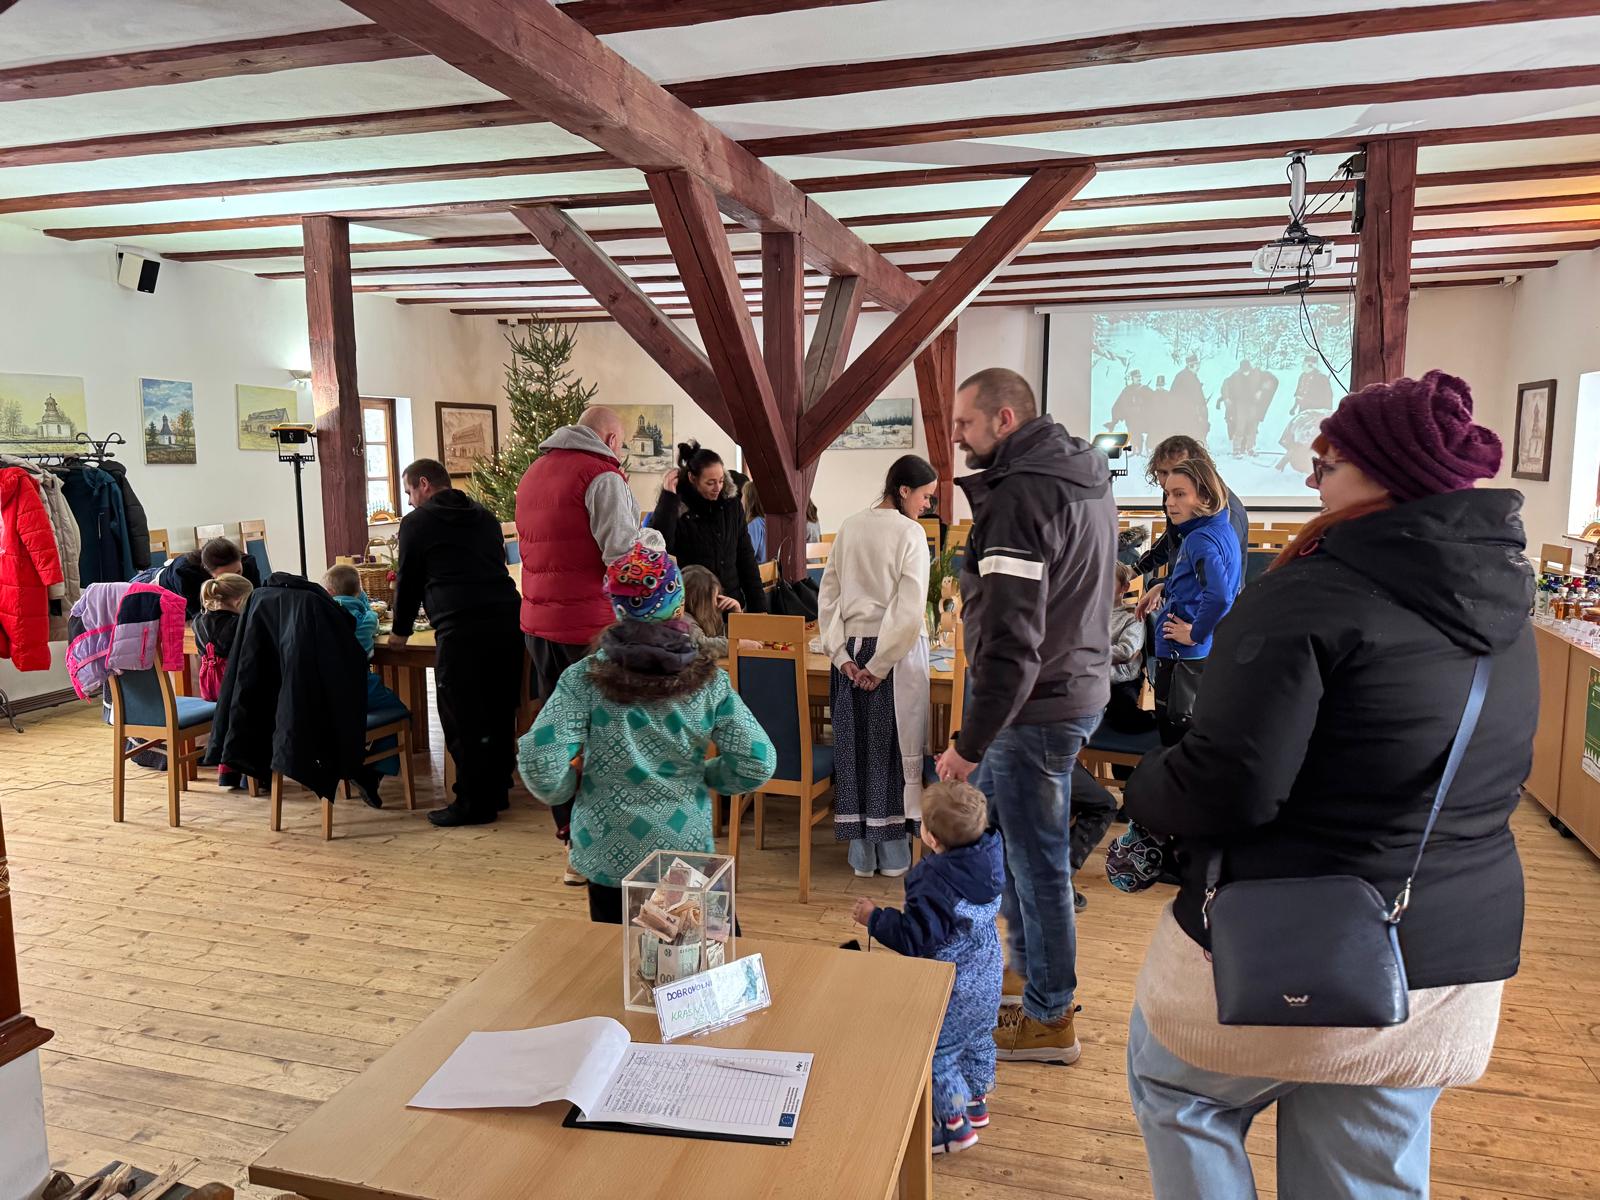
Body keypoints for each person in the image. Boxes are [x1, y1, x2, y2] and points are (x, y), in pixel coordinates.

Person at [1123, 370, 1530, 1199]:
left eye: (1324, 465)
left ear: (1381, 474)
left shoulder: (1308, 593)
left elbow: (1229, 785)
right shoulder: (1503, 604)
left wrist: (1145, 787)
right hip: (1446, 955)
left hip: (1287, 943)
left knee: (1179, 1089)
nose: (1313, 483)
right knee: (1359, 1165)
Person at [934, 367, 1115, 1065]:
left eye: (966, 423)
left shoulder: (1021, 494)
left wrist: (968, 745)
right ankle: (1027, 977)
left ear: (1004, 419)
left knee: (1037, 867)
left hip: (1034, 706)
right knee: (1013, 852)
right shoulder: (1079, 473)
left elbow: (1012, 643)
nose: (957, 436)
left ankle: (1049, 1016)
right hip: (1071, 687)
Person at [517, 531, 776, 923]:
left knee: (615, 954)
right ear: (679, 605)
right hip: (682, 844)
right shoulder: (709, 681)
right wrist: (707, 774)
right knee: (692, 952)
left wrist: (570, 788)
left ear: (617, 608)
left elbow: (540, 760)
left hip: (606, 846)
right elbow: (758, 760)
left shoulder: (582, 679)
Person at [515, 406, 639, 880]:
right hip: (590, 628)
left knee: (560, 734)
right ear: (610, 438)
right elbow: (622, 554)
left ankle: (572, 846)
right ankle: (602, 849)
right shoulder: (601, 476)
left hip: (538, 625)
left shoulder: (534, 471)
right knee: (604, 738)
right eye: (622, 443)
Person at [852, 781, 1003, 1155]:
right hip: (988, 976)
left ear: (931, 838)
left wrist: (876, 918)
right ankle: (974, 1103)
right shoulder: (989, 856)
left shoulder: (934, 881)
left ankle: (954, 1126)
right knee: (978, 1040)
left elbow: (916, 938)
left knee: (939, 1055)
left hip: (955, 986)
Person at [818, 455, 937, 878]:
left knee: (855, 751)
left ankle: (862, 857)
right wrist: (881, 664)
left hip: (851, 651)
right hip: (893, 653)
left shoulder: (850, 526)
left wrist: (841, 656)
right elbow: (909, 608)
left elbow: (827, 596)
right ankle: (895, 857)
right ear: (903, 490)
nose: (927, 504)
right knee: (889, 753)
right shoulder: (911, 533)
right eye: (925, 495)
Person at [389, 459, 523, 827]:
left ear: (424, 484)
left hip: (461, 626)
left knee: (463, 718)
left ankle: (473, 803)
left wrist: (400, 630)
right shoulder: (484, 516)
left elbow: (409, 580)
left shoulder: (417, 523)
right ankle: (498, 790)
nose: (410, 500)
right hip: (507, 620)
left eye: (409, 492)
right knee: (498, 711)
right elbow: (496, 563)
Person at [1150, 457, 1241, 746]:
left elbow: (1220, 595)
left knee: (1174, 741)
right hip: (1199, 652)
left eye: (1180, 494)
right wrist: (1164, 586)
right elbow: (1197, 584)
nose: (1169, 503)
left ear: (1205, 497)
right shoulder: (1220, 528)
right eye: (1168, 494)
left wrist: (1195, 633)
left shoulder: (1198, 539)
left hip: (1182, 656)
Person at [1134, 436, 1248, 622]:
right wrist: (1141, 571)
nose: (1169, 480)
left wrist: (1197, 632)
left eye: (1178, 469)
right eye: (1162, 472)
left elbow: (1222, 591)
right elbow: (1174, 538)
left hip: (1208, 619)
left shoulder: (1228, 513)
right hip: (1185, 605)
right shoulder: (1175, 495)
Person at [322, 564, 403, 810]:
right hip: (358, 686)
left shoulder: (319, 616)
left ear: (328, 592)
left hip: (322, 695)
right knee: (400, 713)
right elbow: (372, 618)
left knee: (353, 715)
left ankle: (356, 764)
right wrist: (363, 602)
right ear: (359, 591)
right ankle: (371, 770)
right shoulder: (365, 619)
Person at [653, 442, 766, 613]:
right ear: (692, 478)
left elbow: (746, 558)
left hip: (730, 604)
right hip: (694, 606)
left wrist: (759, 608)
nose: (718, 488)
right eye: (710, 483)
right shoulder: (677, 509)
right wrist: (668, 498)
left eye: (721, 481)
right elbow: (660, 545)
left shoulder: (732, 505)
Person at [193, 573, 253, 790]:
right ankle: (251, 772)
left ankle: (227, 773)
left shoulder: (198, 622)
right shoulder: (240, 624)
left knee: (230, 717)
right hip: (231, 686)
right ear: (239, 601)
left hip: (209, 685)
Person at [147, 536, 263, 620]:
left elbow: (256, 605)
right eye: (227, 576)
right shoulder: (185, 574)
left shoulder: (248, 564)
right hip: (154, 586)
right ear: (208, 571)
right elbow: (200, 619)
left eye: (238, 572)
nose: (235, 579)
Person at [1106, 563, 1151, 734]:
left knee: (1125, 719)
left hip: (1122, 681)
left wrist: (1088, 652)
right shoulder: (1086, 613)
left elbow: (1127, 652)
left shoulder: (1132, 616)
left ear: (1124, 587)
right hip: (1088, 678)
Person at [1108, 368, 1153, 457]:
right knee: (1132, 432)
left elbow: (1152, 401)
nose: (1138, 378)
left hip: (1142, 417)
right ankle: (1134, 450)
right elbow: (1120, 403)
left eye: (1139, 377)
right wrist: (1116, 418)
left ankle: (1141, 450)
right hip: (1131, 418)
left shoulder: (1146, 389)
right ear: (1132, 378)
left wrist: (1144, 408)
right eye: (1136, 377)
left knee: (1140, 432)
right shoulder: (1127, 390)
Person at [1219, 360, 1257, 457]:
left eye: (1247, 369)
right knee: (1240, 426)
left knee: (1252, 427)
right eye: (1244, 370)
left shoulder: (1254, 376)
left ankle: (1250, 448)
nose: (1246, 372)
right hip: (1240, 404)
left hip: (1252, 404)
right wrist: (1226, 398)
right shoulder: (1234, 377)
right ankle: (1236, 449)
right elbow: (1225, 386)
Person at [1168, 353, 1209, 443]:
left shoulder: (1193, 377)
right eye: (1195, 365)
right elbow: (1174, 395)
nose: (1197, 367)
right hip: (1185, 412)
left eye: (1197, 364)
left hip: (1193, 411)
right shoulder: (1183, 377)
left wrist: (1202, 403)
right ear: (1190, 365)